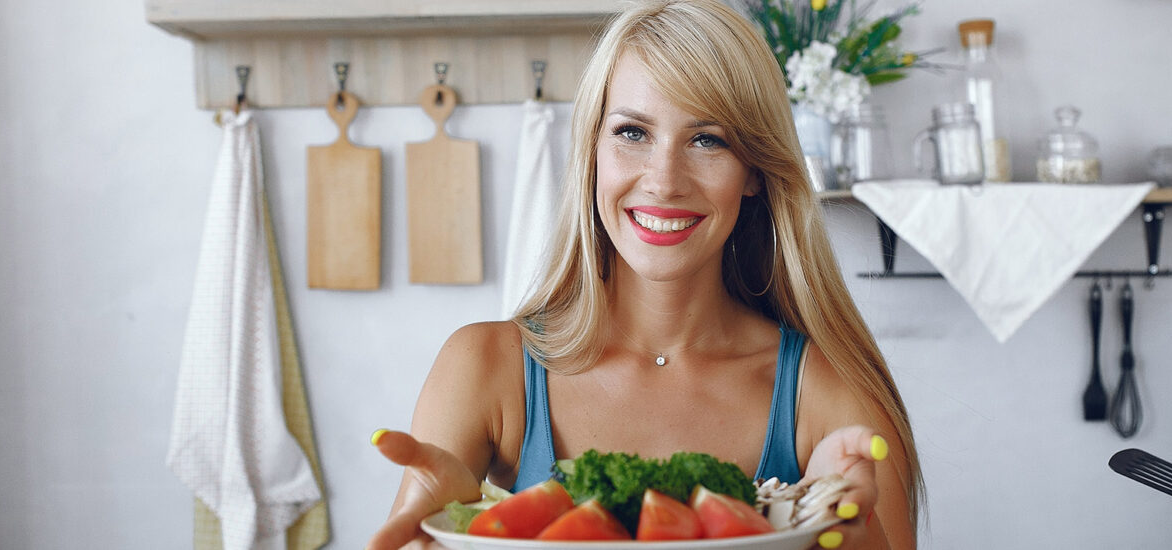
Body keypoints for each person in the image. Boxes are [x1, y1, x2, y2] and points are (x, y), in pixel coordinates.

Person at [367, 0, 922, 548]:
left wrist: (856, 537)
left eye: (708, 139)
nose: (663, 180)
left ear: (754, 172)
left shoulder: (833, 392)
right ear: (593, 152)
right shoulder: (484, 367)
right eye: (632, 132)